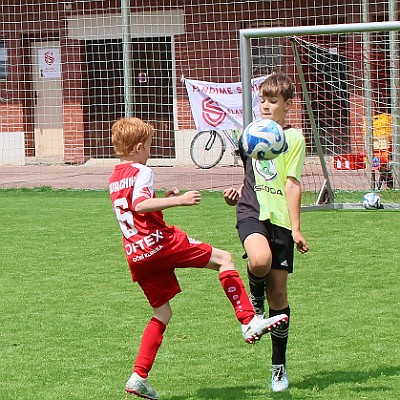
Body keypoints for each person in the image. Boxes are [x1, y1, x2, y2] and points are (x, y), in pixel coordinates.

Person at [108, 117, 288, 399]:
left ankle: (138, 376)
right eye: (149, 147)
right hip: (160, 242)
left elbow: (133, 208)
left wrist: (162, 198)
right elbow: (140, 205)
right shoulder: (142, 171)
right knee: (224, 259)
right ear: (138, 147)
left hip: (136, 253)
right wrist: (178, 200)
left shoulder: (116, 175)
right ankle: (247, 320)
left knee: (162, 313)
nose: (150, 152)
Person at [223, 72, 309, 393]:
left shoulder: (294, 138)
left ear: (288, 105)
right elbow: (248, 175)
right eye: (262, 99)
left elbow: (291, 183)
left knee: (280, 297)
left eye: (273, 101)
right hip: (251, 211)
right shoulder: (249, 134)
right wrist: (232, 194)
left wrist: (296, 228)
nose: (266, 106)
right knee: (258, 260)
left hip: (281, 221)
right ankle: (254, 305)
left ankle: (278, 368)